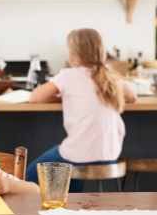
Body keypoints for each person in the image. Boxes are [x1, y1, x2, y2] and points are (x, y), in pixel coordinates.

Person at [27, 28, 137, 192]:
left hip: (79, 154)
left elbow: (34, 97)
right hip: (109, 155)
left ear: (71, 55)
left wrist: (62, 95)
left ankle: (70, 202)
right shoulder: (110, 77)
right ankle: (75, 201)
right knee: (69, 163)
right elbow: (132, 96)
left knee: (32, 174)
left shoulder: (68, 75)